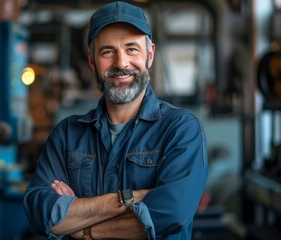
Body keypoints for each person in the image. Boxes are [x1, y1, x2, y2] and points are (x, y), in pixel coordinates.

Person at [23, 1, 208, 239]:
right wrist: (130, 199)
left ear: (149, 55)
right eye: (108, 52)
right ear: (92, 61)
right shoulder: (67, 134)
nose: (121, 63)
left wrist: (84, 229)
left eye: (132, 49)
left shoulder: (181, 129)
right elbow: (40, 213)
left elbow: (171, 215)